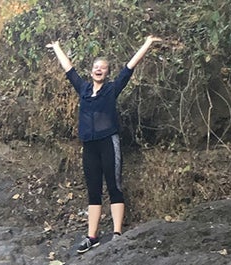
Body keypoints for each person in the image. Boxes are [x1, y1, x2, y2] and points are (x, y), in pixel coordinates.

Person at [46, 35, 162, 253]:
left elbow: (129, 67)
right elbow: (69, 69)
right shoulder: (83, 89)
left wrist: (147, 43)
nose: (99, 70)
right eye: (96, 67)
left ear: (107, 73)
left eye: (103, 68)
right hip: (89, 145)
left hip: (109, 141)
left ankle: (117, 233)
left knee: (114, 185)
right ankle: (92, 236)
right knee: (93, 190)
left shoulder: (112, 89)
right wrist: (57, 47)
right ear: (91, 71)